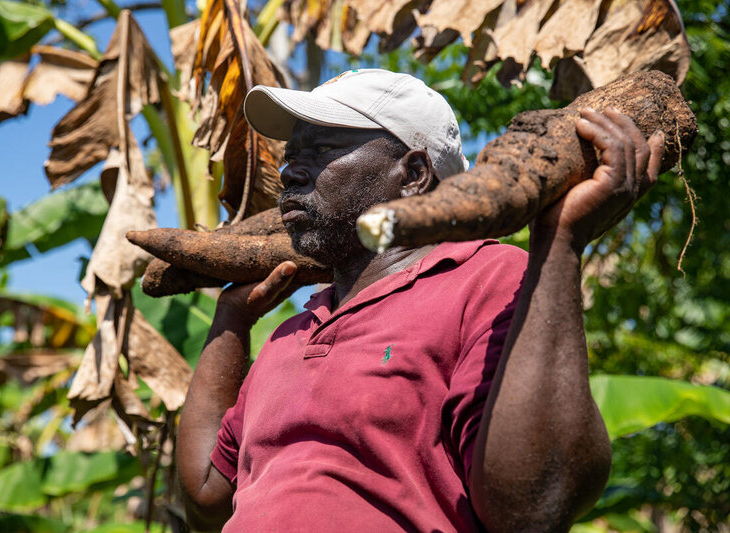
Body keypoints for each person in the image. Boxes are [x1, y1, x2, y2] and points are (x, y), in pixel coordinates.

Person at [176, 69, 664, 532]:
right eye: (291, 155)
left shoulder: (485, 280)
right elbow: (207, 497)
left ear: (412, 174)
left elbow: (531, 509)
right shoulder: (291, 334)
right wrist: (232, 318)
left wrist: (559, 245)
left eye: (322, 148)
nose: (290, 173)